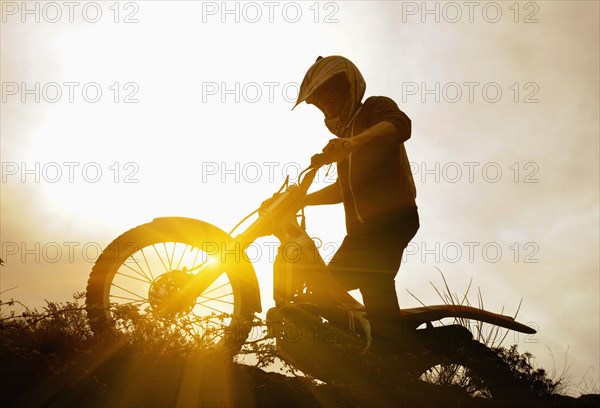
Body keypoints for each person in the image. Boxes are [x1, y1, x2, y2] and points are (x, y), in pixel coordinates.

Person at [293, 55, 420, 356]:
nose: (325, 103)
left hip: (393, 218)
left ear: (348, 85)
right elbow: (341, 190)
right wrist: (303, 199)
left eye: (330, 92)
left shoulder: (374, 109)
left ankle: (390, 357)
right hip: (361, 233)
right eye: (319, 99)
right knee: (324, 289)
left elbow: (400, 126)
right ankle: (356, 350)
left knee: (372, 275)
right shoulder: (345, 139)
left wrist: (352, 143)